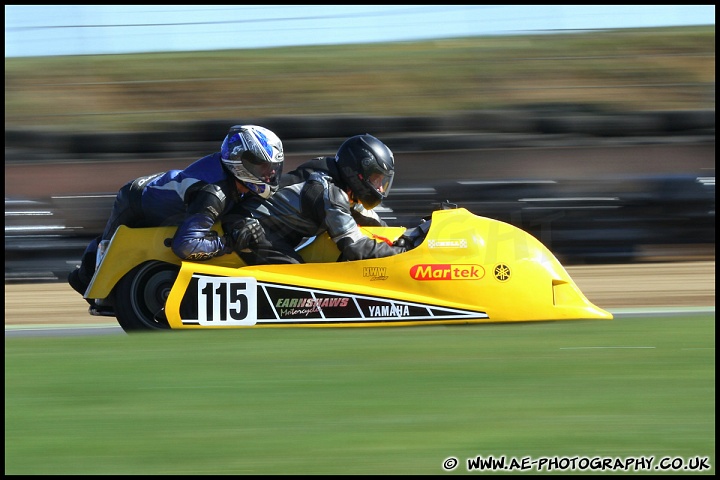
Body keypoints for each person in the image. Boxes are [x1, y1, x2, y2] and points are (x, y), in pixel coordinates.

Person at [68, 124, 284, 311]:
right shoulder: (212, 195)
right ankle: (81, 278)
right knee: (102, 283)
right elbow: (186, 246)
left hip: (171, 190)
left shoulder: (236, 182)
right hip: (136, 201)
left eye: (273, 167)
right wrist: (229, 242)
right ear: (240, 162)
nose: (271, 173)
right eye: (263, 166)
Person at [225, 133, 422, 265]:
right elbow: (355, 248)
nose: (379, 188)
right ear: (357, 172)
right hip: (247, 227)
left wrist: (408, 238)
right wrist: (405, 256)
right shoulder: (329, 191)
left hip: (268, 229)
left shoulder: (340, 185)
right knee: (297, 278)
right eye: (375, 179)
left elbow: (377, 224)